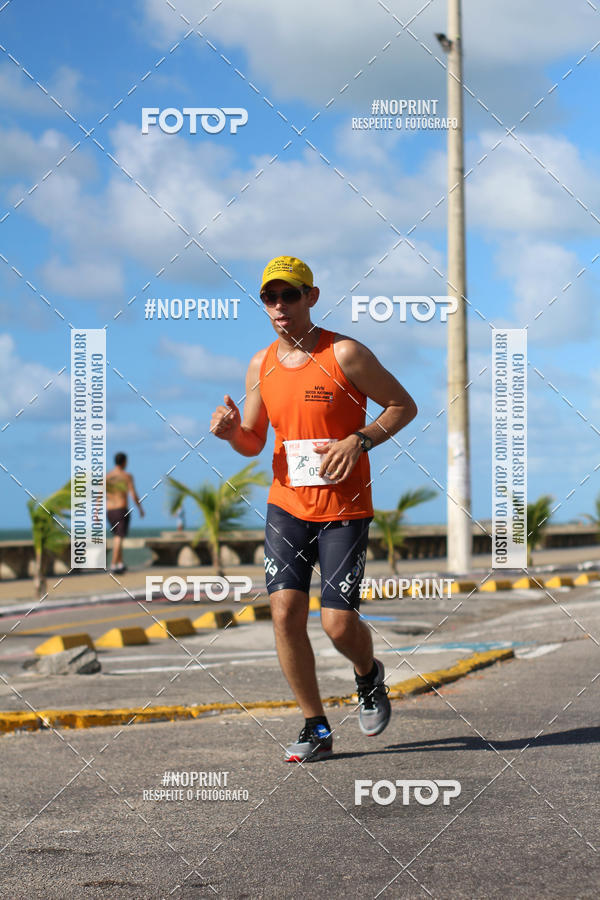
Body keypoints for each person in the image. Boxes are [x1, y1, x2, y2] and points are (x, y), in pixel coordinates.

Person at [210, 256, 418, 761]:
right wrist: (232, 433)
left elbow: (403, 406)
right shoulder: (260, 364)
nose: (279, 305)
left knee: (337, 624)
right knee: (284, 613)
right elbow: (254, 440)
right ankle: (315, 726)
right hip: (286, 504)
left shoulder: (345, 353)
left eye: (290, 295)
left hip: (344, 505)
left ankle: (368, 675)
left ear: (311, 297)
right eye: (270, 297)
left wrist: (359, 440)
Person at [106, 452, 144, 573]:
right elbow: (133, 494)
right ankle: (113, 564)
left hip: (109, 511)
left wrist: (96, 512)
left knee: (118, 536)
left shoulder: (107, 476)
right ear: (124, 462)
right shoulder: (126, 476)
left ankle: (120, 563)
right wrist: (140, 508)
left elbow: (100, 495)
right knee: (119, 537)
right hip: (121, 510)